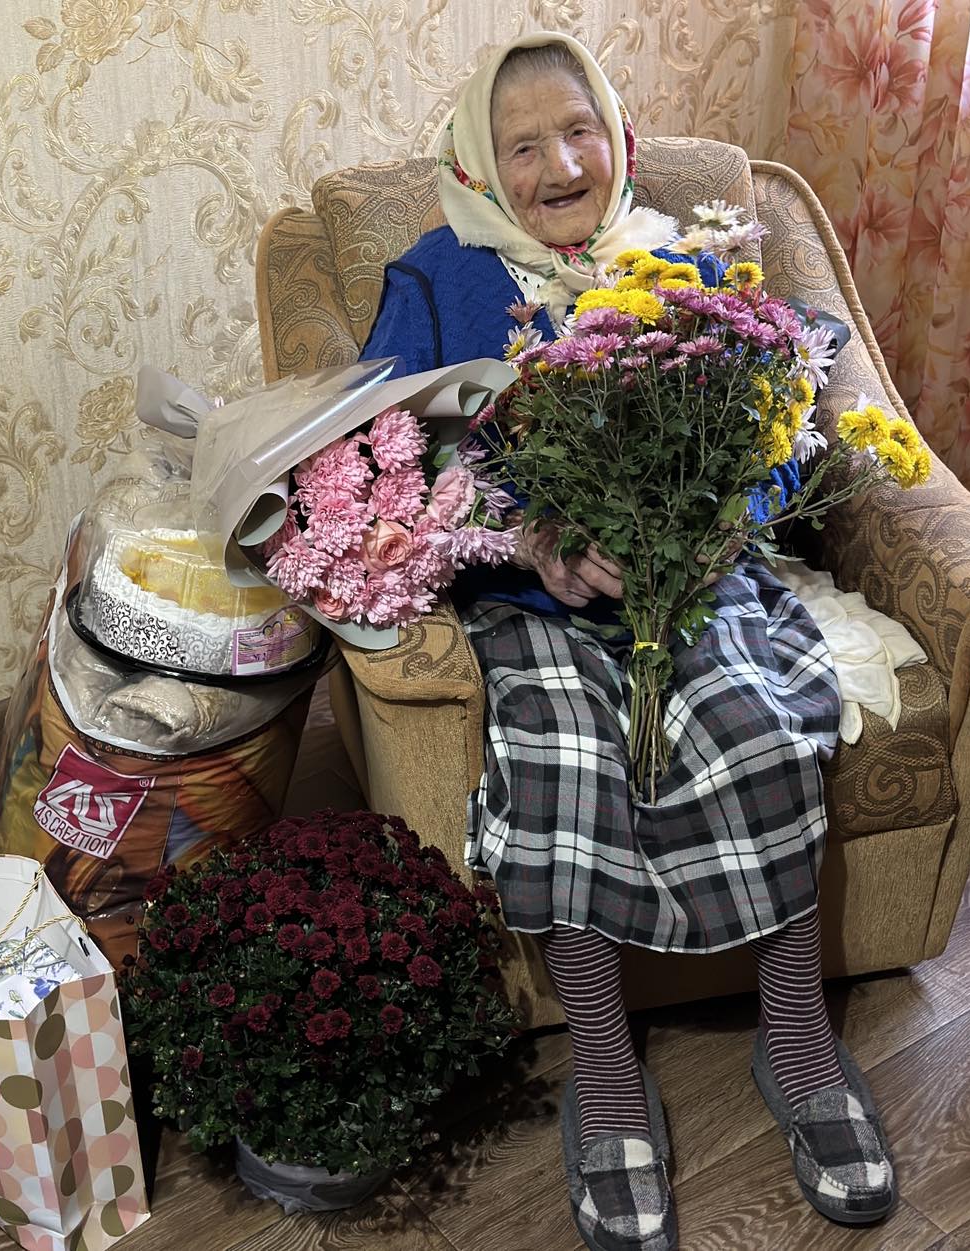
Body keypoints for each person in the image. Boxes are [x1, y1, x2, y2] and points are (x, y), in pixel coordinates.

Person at [361, 31, 896, 1251]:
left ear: (617, 135)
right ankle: (606, 1072)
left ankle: (798, 1041)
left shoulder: (681, 262)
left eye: (581, 130)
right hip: (534, 601)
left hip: (692, 583)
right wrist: (527, 541)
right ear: (479, 162)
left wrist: (725, 519)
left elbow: (780, 427)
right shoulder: (433, 281)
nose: (562, 165)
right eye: (525, 145)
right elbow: (385, 460)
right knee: (564, 762)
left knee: (761, 730)